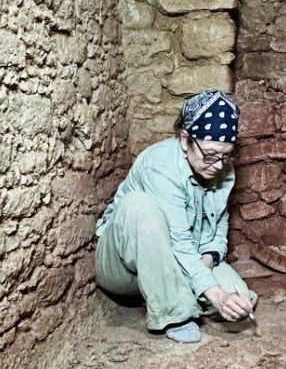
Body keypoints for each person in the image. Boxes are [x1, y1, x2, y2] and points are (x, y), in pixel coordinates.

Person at [94, 90, 256, 344]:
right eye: (211, 155)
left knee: (240, 299)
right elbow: (178, 240)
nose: (217, 165)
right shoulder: (160, 166)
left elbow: (220, 222)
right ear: (185, 139)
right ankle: (174, 313)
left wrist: (211, 257)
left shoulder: (222, 169)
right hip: (124, 267)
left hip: (180, 259)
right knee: (138, 205)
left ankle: (170, 291)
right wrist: (215, 294)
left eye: (226, 155)